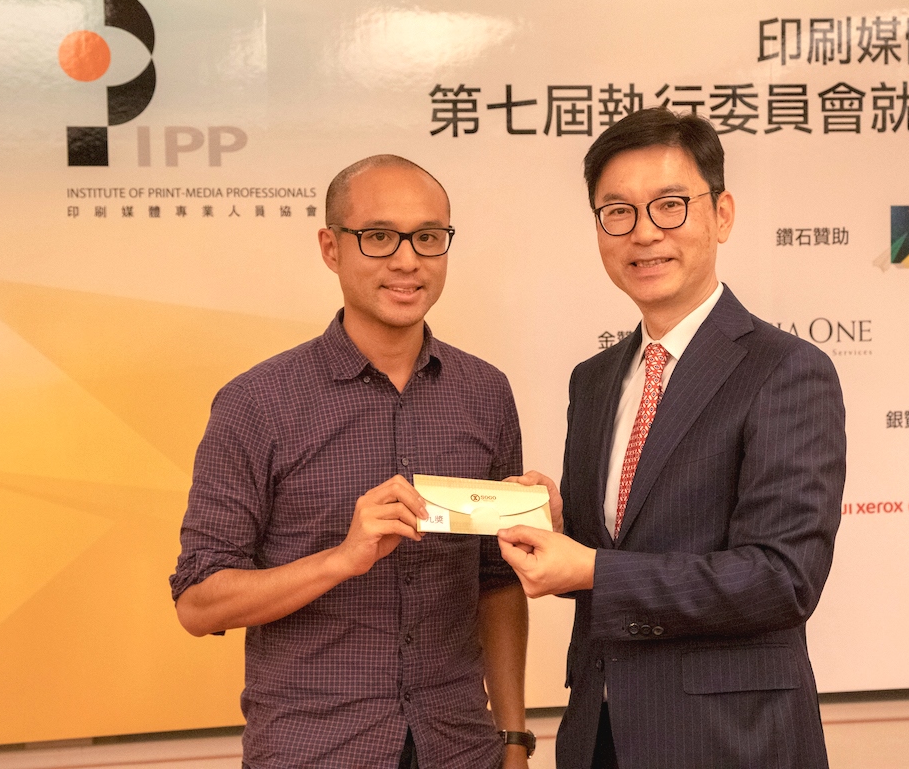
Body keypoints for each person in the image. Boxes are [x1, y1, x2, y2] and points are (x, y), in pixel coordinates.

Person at [497, 109, 846, 769]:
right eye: (618, 212)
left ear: (722, 214)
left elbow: (783, 577)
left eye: (669, 205)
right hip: (599, 732)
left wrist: (591, 568)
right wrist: (557, 529)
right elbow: (611, 558)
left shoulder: (786, 369)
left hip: (731, 740)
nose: (644, 232)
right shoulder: (594, 379)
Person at [170, 155, 540, 769]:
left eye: (428, 237)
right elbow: (198, 602)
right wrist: (342, 560)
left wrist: (514, 739)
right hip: (314, 751)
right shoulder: (257, 402)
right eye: (379, 237)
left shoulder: (484, 392)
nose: (407, 260)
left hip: (460, 748)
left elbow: (496, 584)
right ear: (331, 247)